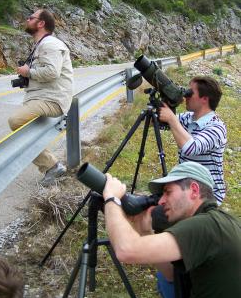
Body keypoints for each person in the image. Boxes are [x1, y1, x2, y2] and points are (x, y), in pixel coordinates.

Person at [102, 162, 241, 298]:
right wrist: (145, 232)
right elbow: (170, 275)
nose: (161, 201)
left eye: (168, 192)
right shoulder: (219, 222)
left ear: (194, 190)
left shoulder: (206, 225)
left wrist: (112, 199)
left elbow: (126, 250)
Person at [8, 9, 73, 186]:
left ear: (41, 23)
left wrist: (28, 72)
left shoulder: (50, 44)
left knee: (15, 121)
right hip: (43, 98)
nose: (27, 19)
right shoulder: (41, 45)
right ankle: (50, 165)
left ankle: (51, 165)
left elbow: (52, 72)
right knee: (21, 126)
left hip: (52, 100)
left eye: (31, 17)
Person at [159, 76, 227, 205]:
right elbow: (156, 122)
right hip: (187, 187)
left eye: (190, 93)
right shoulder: (188, 118)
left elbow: (191, 148)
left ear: (204, 99)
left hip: (208, 194)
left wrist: (171, 119)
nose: (186, 96)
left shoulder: (217, 127)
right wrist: (160, 106)